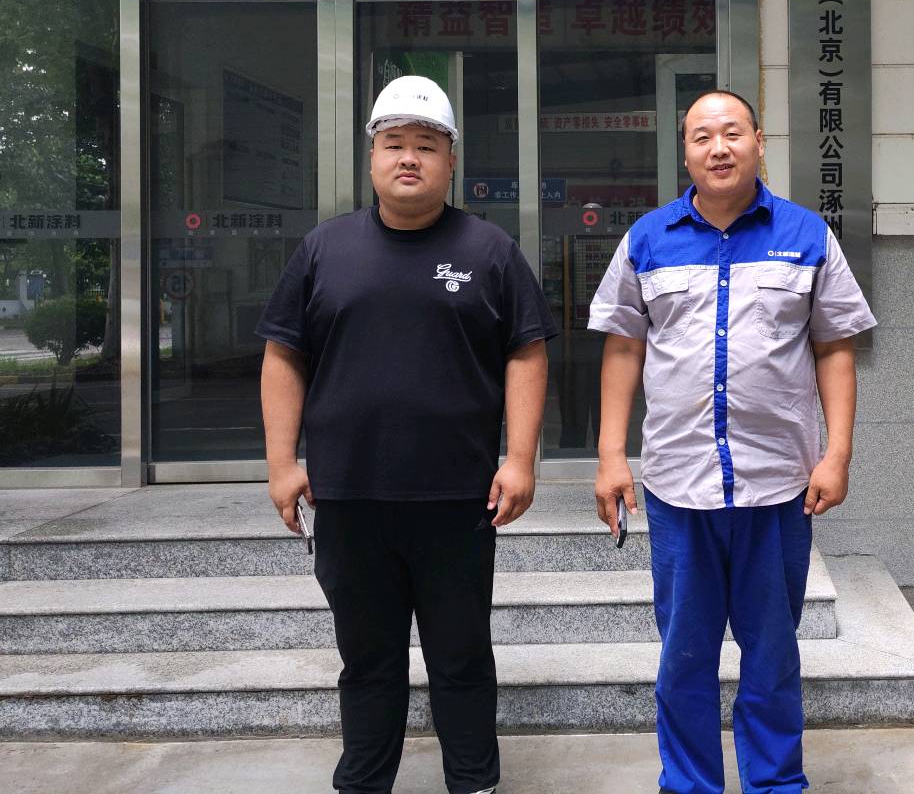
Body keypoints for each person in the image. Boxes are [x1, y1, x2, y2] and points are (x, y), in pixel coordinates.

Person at [258, 75, 555, 794]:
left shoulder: (490, 250)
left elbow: (526, 351)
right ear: (372, 157)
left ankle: (474, 782)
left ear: (451, 160)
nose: (409, 158)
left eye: (426, 144)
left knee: (462, 656)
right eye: (394, 144)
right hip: (349, 496)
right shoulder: (325, 249)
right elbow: (283, 355)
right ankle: (363, 783)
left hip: (458, 499)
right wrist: (281, 463)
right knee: (367, 659)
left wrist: (520, 458)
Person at [590, 90, 876, 794]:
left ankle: (774, 783)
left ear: (758, 142)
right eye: (702, 136)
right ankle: (689, 784)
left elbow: (835, 346)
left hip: (776, 485)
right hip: (678, 486)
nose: (718, 148)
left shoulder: (806, 235)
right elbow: (623, 347)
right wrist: (610, 456)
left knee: (772, 655)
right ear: (685, 152)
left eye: (732, 133)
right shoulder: (648, 239)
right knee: (684, 657)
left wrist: (837, 454)